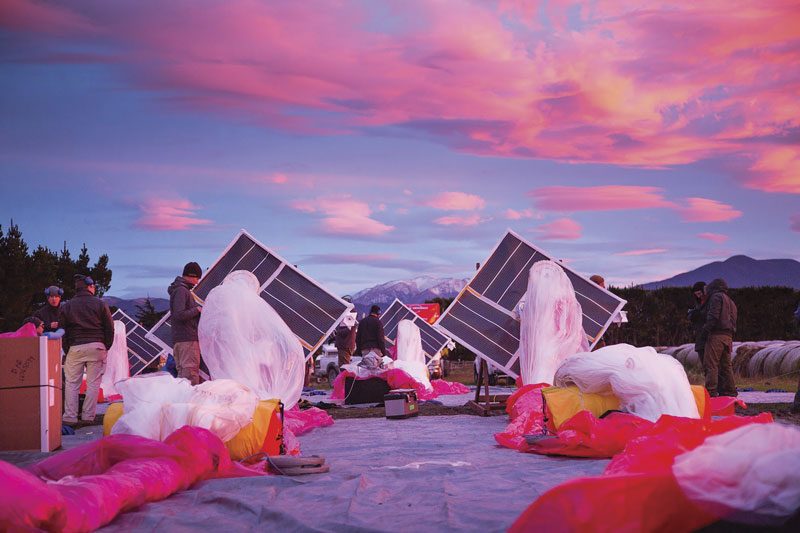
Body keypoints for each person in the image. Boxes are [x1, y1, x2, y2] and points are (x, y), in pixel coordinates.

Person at [58, 274, 114, 427]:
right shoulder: (100, 304)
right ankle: (88, 417)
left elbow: (63, 330)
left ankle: (70, 417)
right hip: (97, 346)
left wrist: (68, 348)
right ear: (89, 286)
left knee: (71, 384)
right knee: (93, 384)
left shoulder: (66, 306)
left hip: (75, 347)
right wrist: (105, 346)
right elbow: (110, 328)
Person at [701, 278, 738, 397]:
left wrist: (705, 330)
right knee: (726, 366)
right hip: (728, 337)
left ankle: (710, 393)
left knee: (711, 365)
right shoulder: (730, 301)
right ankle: (730, 393)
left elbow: (713, 316)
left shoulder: (716, 297)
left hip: (716, 336)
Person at [169, 261, 203, 385]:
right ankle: (191, 403)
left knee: (184, 375)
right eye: (196, 278)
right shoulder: (182, 291)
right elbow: (179, 314)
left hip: (181, 339)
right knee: (190, 374)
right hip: (187, 340)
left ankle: (183, 401)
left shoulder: (179, 290)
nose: (197, 282)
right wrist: (197, 310)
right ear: (191, 275)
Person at [688, 281, 708, 363]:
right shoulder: (698, 304)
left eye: (699, 293)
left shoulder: (711, 302)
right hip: (700, 337)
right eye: (696, 295)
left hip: (707, 337)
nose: (699, 296)